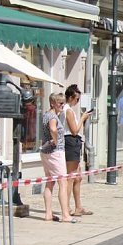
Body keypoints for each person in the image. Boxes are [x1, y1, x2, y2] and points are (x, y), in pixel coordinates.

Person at [40, 93, 75, 224]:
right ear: (53, 103)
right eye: (60, 103)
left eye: (63, 103)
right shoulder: (53, 117)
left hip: (45, 152)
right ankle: (65, 214)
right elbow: (53, 129)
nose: (62, 105)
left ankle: (48, 213)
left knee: (50, 182)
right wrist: (55, 140)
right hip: (55, 152)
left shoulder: (45, 114)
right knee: (63, 182)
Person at [62, 85, 93, 217]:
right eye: (77, 99)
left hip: (73, 143)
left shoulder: (68, 110)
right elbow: (75, 131)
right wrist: (83, 118)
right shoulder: (68, 110)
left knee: (78, 177)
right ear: (70, 97)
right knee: (71, 176)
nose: (77, 101)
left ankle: (78, 206)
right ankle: (67, 207)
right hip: (71, 141)